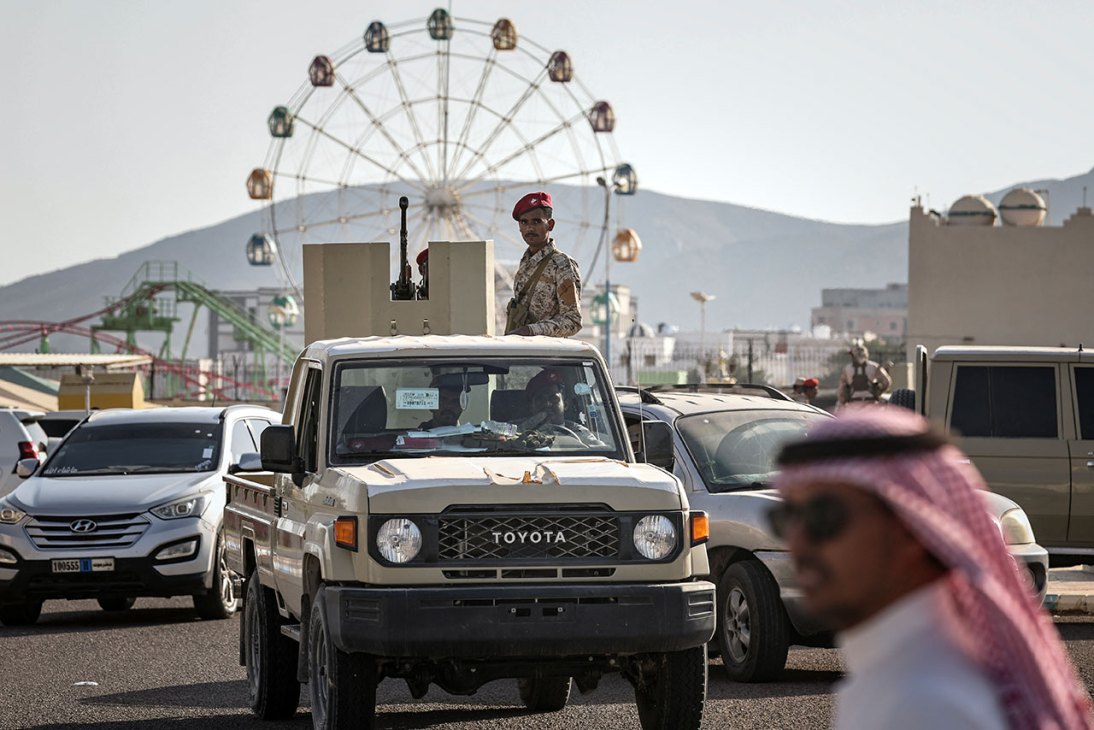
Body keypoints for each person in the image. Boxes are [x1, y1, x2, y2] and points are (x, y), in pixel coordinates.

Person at [769, 408, 1093, 730]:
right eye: (787, 516)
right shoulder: (909, 676)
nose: (797, 541)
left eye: (823, 516)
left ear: (911, 529)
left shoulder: (923, 702)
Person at [504, 192, 582, 337]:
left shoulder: (562, 265)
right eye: (524, 222)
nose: (530, 228)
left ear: (550, 225)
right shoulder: (526, 263)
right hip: (522, 350)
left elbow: (573, 321)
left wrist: (531, 330)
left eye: (536, 222)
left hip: (549, 354)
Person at [518, 369, 604, 446]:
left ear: (565, 404)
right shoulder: (519, 430)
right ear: (531, 407)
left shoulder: (578, 431)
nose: (547, 404)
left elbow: (600, 450)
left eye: (554, 398)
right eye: (540, 399)